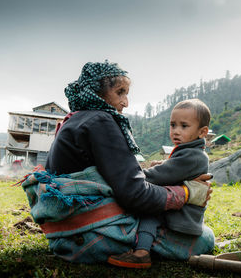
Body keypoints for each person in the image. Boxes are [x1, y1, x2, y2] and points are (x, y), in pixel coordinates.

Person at [26, 60, 214, 264]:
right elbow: (136, 195)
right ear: (97, 92)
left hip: (63, 238)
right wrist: (186, 193)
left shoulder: (74, 120)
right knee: (205, 237)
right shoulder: (101, 121)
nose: (126, 102)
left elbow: (120, 176)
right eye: (120, 92)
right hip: (93, 236)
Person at [108, 99, 211, 268]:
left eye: (184, 126)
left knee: (150, 211)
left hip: (182, 217)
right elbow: (171, 170)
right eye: (173, 125)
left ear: (202, 132)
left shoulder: (192, 156)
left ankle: (142, 253)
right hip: (184, 213)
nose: (176, 131)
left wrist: (133, 176)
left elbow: (159, 176)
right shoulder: (190, 152)